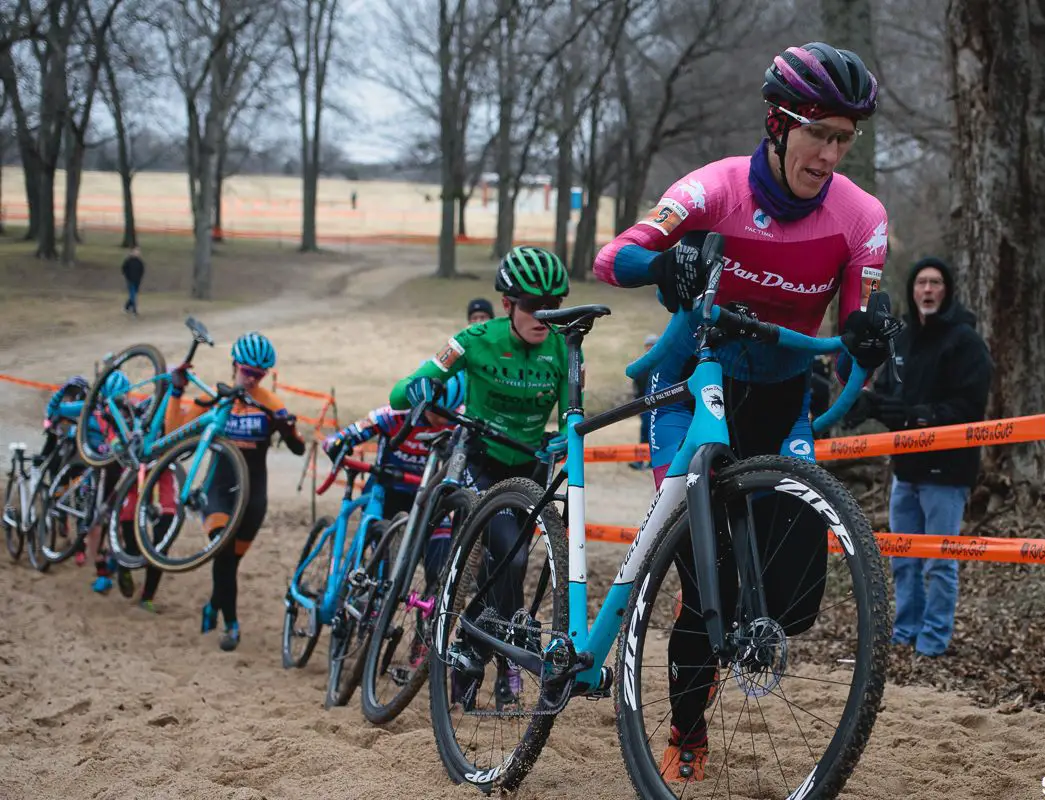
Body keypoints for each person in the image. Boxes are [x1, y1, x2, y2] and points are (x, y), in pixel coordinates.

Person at [593, 43, 892, 783]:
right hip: (697, 386)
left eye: (843, 139)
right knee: (704, 580)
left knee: (790, 593)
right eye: (818, 132)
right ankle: (686, 729)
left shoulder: (862, 216)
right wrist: (664, 262)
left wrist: (869, 328)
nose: (829, 153)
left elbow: (858, 315)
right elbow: (614, 258)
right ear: (778, 122)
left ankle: (738, 638)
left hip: (785, 394)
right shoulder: (714, 188)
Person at [390, 245, 570, 706]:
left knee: (507, 567)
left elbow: (574, 415)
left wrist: (566, 435)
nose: (544, 316)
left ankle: (471, 648)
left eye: (554, 305)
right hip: (482, 460)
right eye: (533, 306)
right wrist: (423, 388)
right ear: (508, 304)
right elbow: (400, 391)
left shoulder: (565, 347)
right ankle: (495, 654)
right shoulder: (472, 339)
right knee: (508, 561)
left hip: (531, 465)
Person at [850, 256, 991, 658]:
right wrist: (873, 405)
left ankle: (933, 640)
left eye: (935, 283)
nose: (927, 290)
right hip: (905, 467)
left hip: (947, 471)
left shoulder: (966, 341)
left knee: (939, 561)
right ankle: (905, 632)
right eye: (921, 283)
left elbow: (970, 406)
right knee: (903, 558)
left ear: (946, 290)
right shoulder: (905, 338)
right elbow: (896, 396)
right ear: (912, 291)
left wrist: (918, 416)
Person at [167, 331, 306, 650]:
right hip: (218, 490)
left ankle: (213, 606)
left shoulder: (270, 404)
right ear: (234, 366)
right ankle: (231, 624)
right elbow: (174, 433)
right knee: (221, 551)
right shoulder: (216, 398)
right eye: (247, 372)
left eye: (259, 375)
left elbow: (298, 449)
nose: (251, 379)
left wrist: (286, 427)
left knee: (229, 563)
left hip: (254, 497)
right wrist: (176, 391)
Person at [322, 372, 468, 589]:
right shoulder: (395, 414)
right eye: (437, 413)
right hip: (384, 487)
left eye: (449, 414)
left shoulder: (459, 420)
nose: (442, 421)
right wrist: (337, 443)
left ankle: (432, 605)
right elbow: (347, 433)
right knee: (381, 558)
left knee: (442, 547)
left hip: (424, 490)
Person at [629, 334, 658, 470]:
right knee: (644, 433)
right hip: (643, 405)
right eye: (647, 345)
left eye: (652, 345)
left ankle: (654, 461)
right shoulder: (642, 365)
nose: (649, 348)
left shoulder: (661, 364)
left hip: (658, 405)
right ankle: (640, 461)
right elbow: (636, 385)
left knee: (655, 434)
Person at [121, 247, 145, 315]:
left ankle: (127, 307)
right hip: (130, 280)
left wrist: (140, 277)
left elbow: (142, 270)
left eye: (138, 252)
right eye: (136, 252)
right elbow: (124, 269)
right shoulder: (128, 261)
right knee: (133, 294)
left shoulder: (139, 262)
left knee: (133, 294)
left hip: (137, 280)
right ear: (132, 252)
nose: (137, 253)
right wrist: (127, 276)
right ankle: (134, 310)